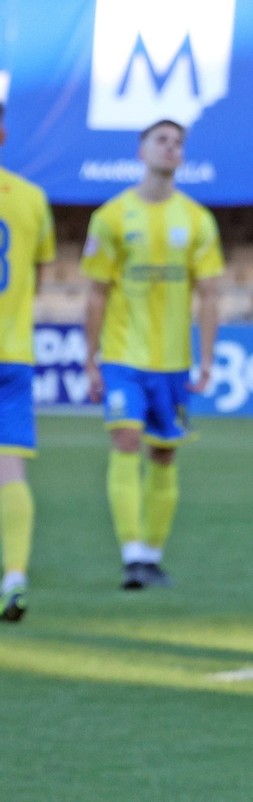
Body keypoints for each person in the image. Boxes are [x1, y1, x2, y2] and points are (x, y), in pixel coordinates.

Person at [82, 120, 223, 590]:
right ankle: (130, 555)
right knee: (124, 441)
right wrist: (90, 356)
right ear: (141, 150)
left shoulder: (198, 220)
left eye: (178, 142)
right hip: (123, 356)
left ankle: (152, 556)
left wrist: (206, 360)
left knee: (164, 455)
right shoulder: (112, 216)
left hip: (172, 361)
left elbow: (209, 294)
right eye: (161, 140)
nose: (170, 147)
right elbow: (96, 292)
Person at [0, 102, 54, 621]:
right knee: (9, 469)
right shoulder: (33, 199)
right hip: (12, 352)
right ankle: (13, 577)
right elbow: (37, 277)